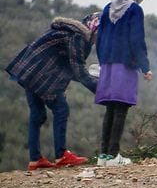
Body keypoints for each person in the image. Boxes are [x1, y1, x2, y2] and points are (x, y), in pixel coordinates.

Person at [5, 13, 100, 170]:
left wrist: (87, 79)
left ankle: (35, 160)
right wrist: (102, 90)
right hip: (42, 75)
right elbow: (78, 71)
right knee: (61, 110)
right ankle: (61, 155)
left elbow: (68, 67)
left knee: (37, 115)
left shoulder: (66, 32)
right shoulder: (77, 37)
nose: (98, 39)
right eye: (99, 34)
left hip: (28, 72)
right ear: (92, 28)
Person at [95, 0, 153, 166]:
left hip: (107, 65)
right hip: (125, 64)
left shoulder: (107, 8)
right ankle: (113, 155)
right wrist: (145, 67)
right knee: (121, 107)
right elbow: (136, 39)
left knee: (110, 108)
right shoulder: (134, 10)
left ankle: (103, 156)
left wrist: (103, 61)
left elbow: (100, 38)